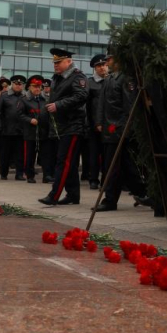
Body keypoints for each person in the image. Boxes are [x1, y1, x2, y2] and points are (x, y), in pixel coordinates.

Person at [94, 53, 148, 211]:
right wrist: (99, 122)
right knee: (125, 166)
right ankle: (144, 194)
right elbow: (102, 104)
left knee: (113, 167)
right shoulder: (110, 78)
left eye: (110, 59)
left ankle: (110, 200)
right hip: (108, 130)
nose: (107, 62)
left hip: (118, 130)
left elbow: (129, 107)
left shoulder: (125, 79)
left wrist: (124, 128)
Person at [38, 48, 88, 206]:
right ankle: (73, 195)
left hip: (72, 125)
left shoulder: (77, 76)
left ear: (69, 61)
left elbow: (81, 96)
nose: (55, 65)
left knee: (63, 162)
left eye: (58, 62)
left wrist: (58, 105)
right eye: (54, 62)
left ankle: (54, 195)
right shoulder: (57, 78)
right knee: (70, 163)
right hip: (60, 126)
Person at [19, 75, 50, 183]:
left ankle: (46, 176)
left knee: (46, 156)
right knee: (30, 156)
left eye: (39, 87)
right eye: (35, 86)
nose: (37, 89)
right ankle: (30, 175)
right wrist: (29, 120)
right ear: (29, 87)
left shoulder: (45, 99)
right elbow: (19, 115)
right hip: (30, 132)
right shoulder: (24, 100)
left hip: (43, 132)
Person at [86, 54, 109, 190]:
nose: (102, 68)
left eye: (104, 65)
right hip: (94, 124)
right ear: (94, 68)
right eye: (99, 66)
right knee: (94, 154)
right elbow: (87, 106)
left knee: (108, 154)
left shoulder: (111, 80)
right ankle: (93, 179)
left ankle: (106, 180)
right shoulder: (90, 83)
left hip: (110, 123)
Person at [0, 74, 26, 181]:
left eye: (20, 84)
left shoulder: (26, 96)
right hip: (7, 130)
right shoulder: (4, 96)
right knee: (5, 154)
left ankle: (19, 174)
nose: (18, 86)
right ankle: (3, 174)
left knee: (20, 154)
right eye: (16, 84)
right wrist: (0, 127)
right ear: (12, 84)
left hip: (21, 130)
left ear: (23, 86)